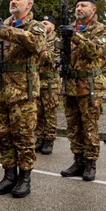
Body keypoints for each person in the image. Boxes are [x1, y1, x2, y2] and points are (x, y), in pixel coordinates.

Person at [0, 0, 45, 198]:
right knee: (4, 136)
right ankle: (9, 175)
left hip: (23, 92)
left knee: (23, 137)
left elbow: (36, 44)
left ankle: (25, 178)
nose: (13, 1)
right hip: (3, 91)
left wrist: (3, 31)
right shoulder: (1, 25)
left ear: (28, 4)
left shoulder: (36, 26)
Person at [58, 0, 106, 181]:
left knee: (89, 125)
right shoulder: (69, 28)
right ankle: (78, 159)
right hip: (70, 84)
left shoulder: (101, 29)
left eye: (83, 5)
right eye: (77, 5)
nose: (79, 8)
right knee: (73, 126)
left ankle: (90, 162)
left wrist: (75, 36)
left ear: (93, 10)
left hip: (89, 85)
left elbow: (97, 50)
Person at [35, 15, 61, 155]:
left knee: (50, 112)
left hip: (51, 83)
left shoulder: (57, 41)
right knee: (38, 112)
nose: (44, 25)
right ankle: (39, 138)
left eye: (46, 23)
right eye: (42, 23)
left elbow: (52, 58)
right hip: (37, 81)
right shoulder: (38, 39)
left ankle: (49, 139)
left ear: (53, 27)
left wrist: (40, 48)